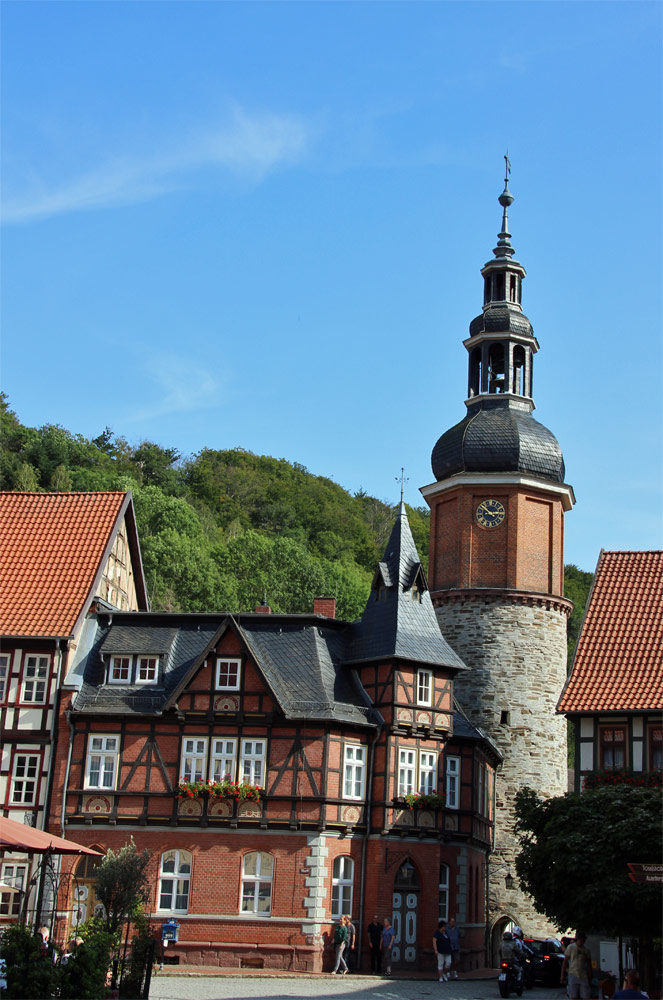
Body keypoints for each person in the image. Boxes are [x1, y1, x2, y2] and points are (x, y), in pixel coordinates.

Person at [561, 932, 592, 1000]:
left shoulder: (586, 950)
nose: (581, 942)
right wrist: (562, 975)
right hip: (573, 973)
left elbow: (589, 965)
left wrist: (590, 977)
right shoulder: (571, 947)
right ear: (577, 940)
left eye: (583, 941)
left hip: (583, 975)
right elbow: (565, 961)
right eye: (580, 941)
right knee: (573, 995)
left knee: (586, 995)